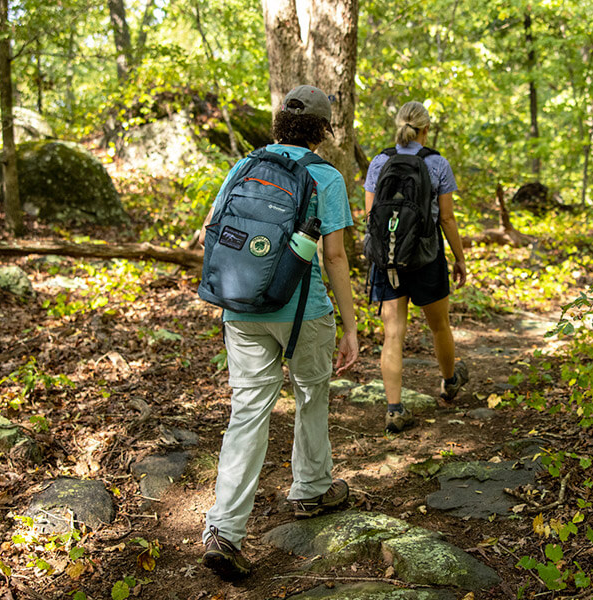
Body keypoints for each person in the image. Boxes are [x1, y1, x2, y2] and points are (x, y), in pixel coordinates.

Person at [197, 85, 358, 581]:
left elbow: (208, 232)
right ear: (322, 130)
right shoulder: (325, 177)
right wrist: (351, 326)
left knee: (247, 412)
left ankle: (224, 530)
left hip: (241, 309)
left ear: (278, 124)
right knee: (312, 396)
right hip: (303, 313)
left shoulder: (244, 167)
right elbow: (333, 256)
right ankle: (310, 490)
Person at [364, 101, 469, 434]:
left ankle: (394, 410)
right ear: (426, 129)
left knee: (393, 332)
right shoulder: (437, 164)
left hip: (389, 258)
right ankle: (450, 383)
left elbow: (370, 218)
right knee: (439, 325)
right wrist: (459, 257)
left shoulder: (380, 162)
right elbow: (448, 218)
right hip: (427, 255)